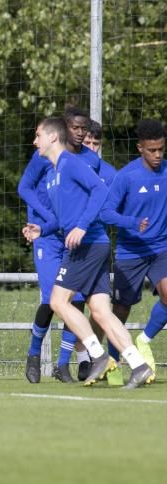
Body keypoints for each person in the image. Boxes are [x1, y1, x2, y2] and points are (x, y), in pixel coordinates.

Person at [22, 117, 153, 389]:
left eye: (37, 135)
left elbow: (100, 190)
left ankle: (98, 355)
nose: (34, 141)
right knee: (101, 311)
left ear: (52, 138)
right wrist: (41, 231)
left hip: (88, 245)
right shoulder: (53, 176)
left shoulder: (71, 164)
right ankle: (138, 364)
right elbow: (64, 218)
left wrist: (82, 227)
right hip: (92, 246)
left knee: (58, 301)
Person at [99, 119, 166, 382]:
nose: (158, 155)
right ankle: (113, 360)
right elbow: (105, 212)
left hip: (161, 248)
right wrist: (131, 223)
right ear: (140, 148)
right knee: (121, 309)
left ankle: (145, 339)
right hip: (130, 252)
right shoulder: (126, 176)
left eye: (161, 149)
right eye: (152, 150)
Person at [16, 151, 82, 383]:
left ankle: (63, 364)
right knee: (51, 299)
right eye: (75, 128)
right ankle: (34, 354)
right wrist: (47, 219)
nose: (81, 134)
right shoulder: (43, 155)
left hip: (74, 235)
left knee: (78, 298)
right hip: (47, 236)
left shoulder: (84, 160)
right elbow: (24, 188)